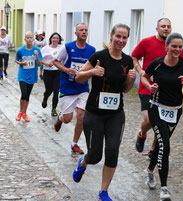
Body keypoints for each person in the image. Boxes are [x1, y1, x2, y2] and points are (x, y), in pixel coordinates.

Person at [72, 23, 136, 201]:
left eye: (124, 38)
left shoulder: (127, 61)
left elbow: (125, 90)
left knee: (113, 150)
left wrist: (131, 80)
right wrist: (93, 71)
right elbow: (78, 77)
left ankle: (103, 191)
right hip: (94, 113)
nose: (121, 40)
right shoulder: (99, 56)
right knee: (94, 155)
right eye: (118, 36)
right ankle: (83, 163)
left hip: (116, 113)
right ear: (111, 36)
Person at [141, 33, 183, 200]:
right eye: (174, 46)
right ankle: (164, 187)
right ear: (166, 47)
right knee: (165, 146)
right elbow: (144, 76)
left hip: (175, 111)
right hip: (157, 109)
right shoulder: (157, 64)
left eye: (180, 46)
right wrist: (150, 86)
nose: (177, 49)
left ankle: (150, 171)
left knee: (161, 145)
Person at [132, 18, 183, 158]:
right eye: (163, 26)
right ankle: (142, 134)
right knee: (149, 120)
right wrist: (140, 71)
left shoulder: (175, 47)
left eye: (168, 26)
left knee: (162, 122)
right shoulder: (146, 42)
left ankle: (154, 149)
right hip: (147, 88)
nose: (166, 29)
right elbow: (134, 57)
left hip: (166, 92)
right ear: (157, 28)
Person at [53, 23, 95, 155]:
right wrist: (66, 69)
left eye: (86, 30)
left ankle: (75, 143)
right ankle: (60, 118)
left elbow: (94, 66)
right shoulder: (67, 47)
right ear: (76, 33)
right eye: (81, 30)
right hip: (68, 87)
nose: (84, 32)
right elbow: (55, 61)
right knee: (68, 119)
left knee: (82, 116)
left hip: (83, 88)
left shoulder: (92, 50)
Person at [15, 32, 43, 122]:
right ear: (25, 39)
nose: (29, 39)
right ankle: (20, 112)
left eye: (31, 37)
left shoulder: (37, 50)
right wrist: (21, 63)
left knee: (27, 96)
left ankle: (25, 113)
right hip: (22, 75)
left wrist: (37, 56)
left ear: (33, 39)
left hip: (32, 75)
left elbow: (39, 64)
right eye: (27, 37)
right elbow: (16, 60)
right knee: (24, 94)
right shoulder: (20, 50)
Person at [41, 32, 63, 116]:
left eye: (57, 38)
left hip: (57, 72)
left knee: (56, 91)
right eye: (54, 38)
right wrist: (47, 63)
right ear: (51, 39)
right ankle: (45, 98)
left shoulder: (61, 48)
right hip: (48, 72)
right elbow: (40, 59)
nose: (55, 40)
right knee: (49, 90)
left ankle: (54, 109)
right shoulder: (45, 48)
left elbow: (64, 58)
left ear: (59, 40)